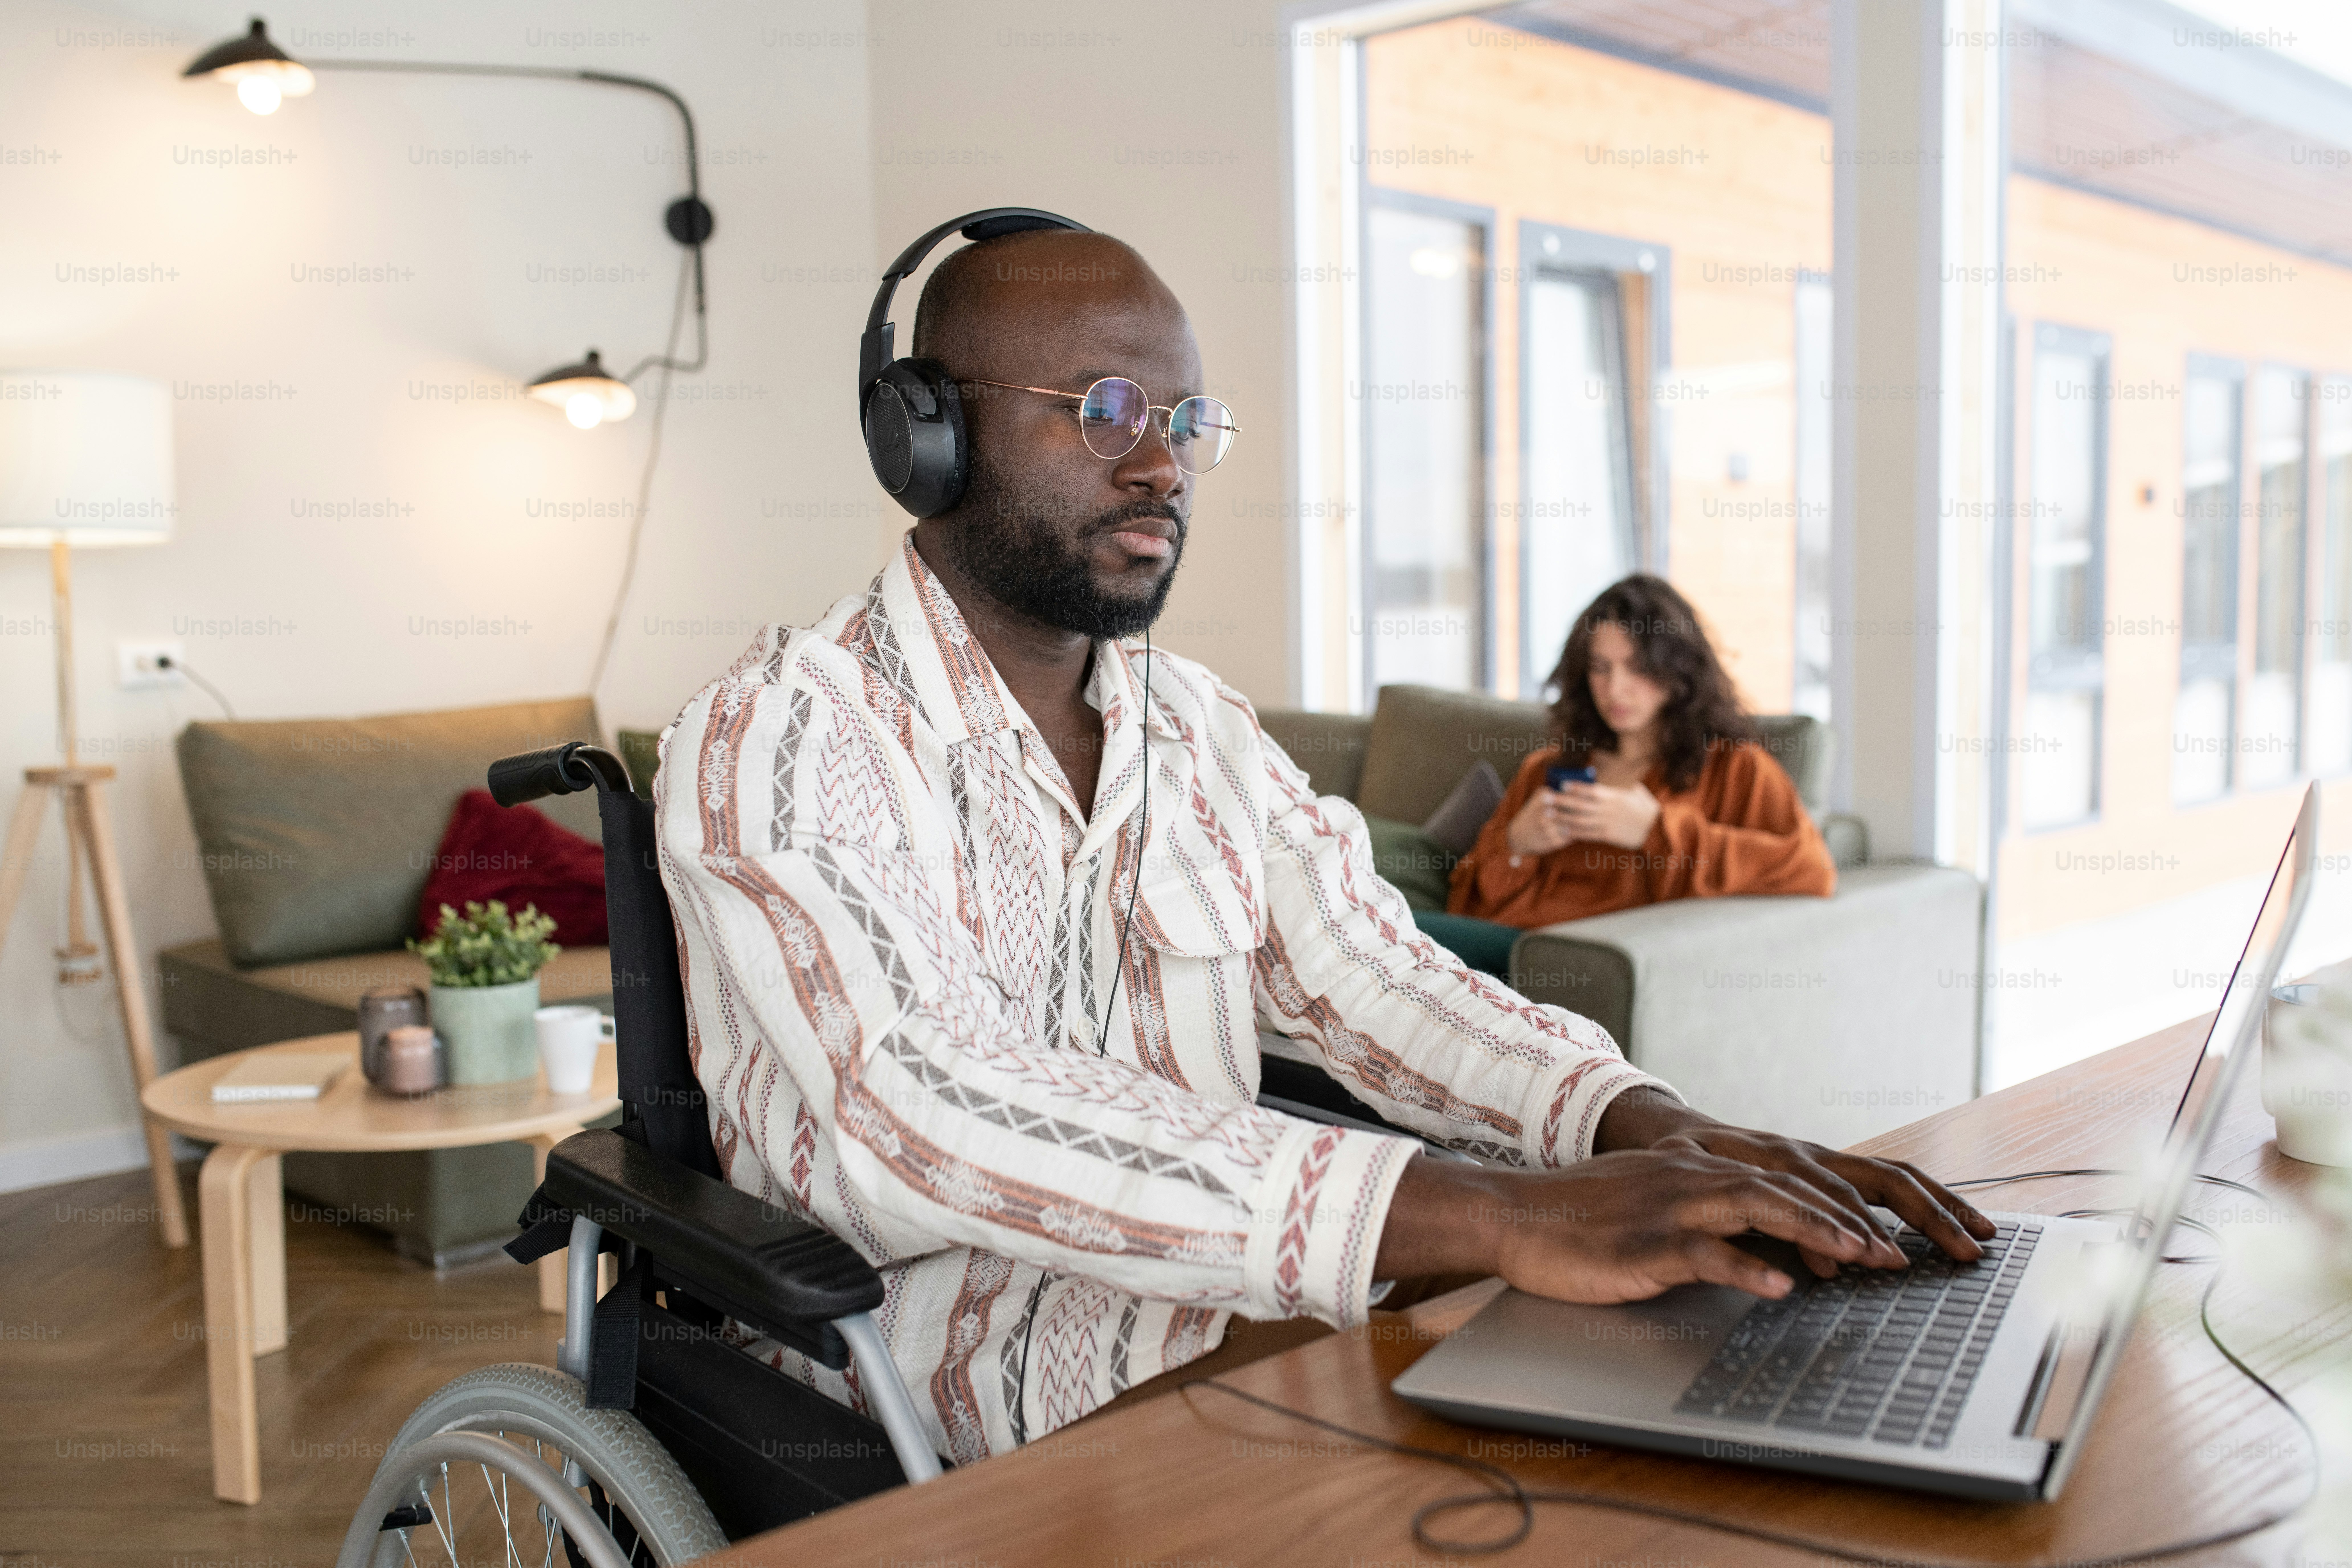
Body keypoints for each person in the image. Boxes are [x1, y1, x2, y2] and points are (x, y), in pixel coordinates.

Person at [656, 222, 1990, 1467]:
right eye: (1108, 411)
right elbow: (922, 1110)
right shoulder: (776, 729)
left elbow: (1375, 980)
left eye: (1183, 421)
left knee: (1674, 1351)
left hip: (1209, 1292)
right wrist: (1500, 1211)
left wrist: (1649, 1130)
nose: (1162, 465)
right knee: (1529, 1406)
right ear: (923, 435)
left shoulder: (1196, 729)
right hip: (929, 1370)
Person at [1418, 576, 1836, 977]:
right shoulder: (1548, 769)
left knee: (1383, 930)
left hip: (1593, 962)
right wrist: (1516, 845)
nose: (1615, 689)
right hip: (1514, 948)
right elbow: (1466, 903)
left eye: (1637, 668)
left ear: (1677, 673)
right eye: (1600, 668)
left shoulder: (1734, 768)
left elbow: (1810, 868)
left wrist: (1654, 831)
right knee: (1380, 928)